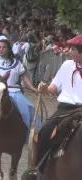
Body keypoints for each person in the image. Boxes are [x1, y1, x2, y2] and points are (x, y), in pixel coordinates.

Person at [25, 35, 82, 178]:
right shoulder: (66, 65)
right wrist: (44, 88)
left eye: (73, 49)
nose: (69, 52)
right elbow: (54, 87)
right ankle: (38, 170)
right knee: (43, 133)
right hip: (66, 109)